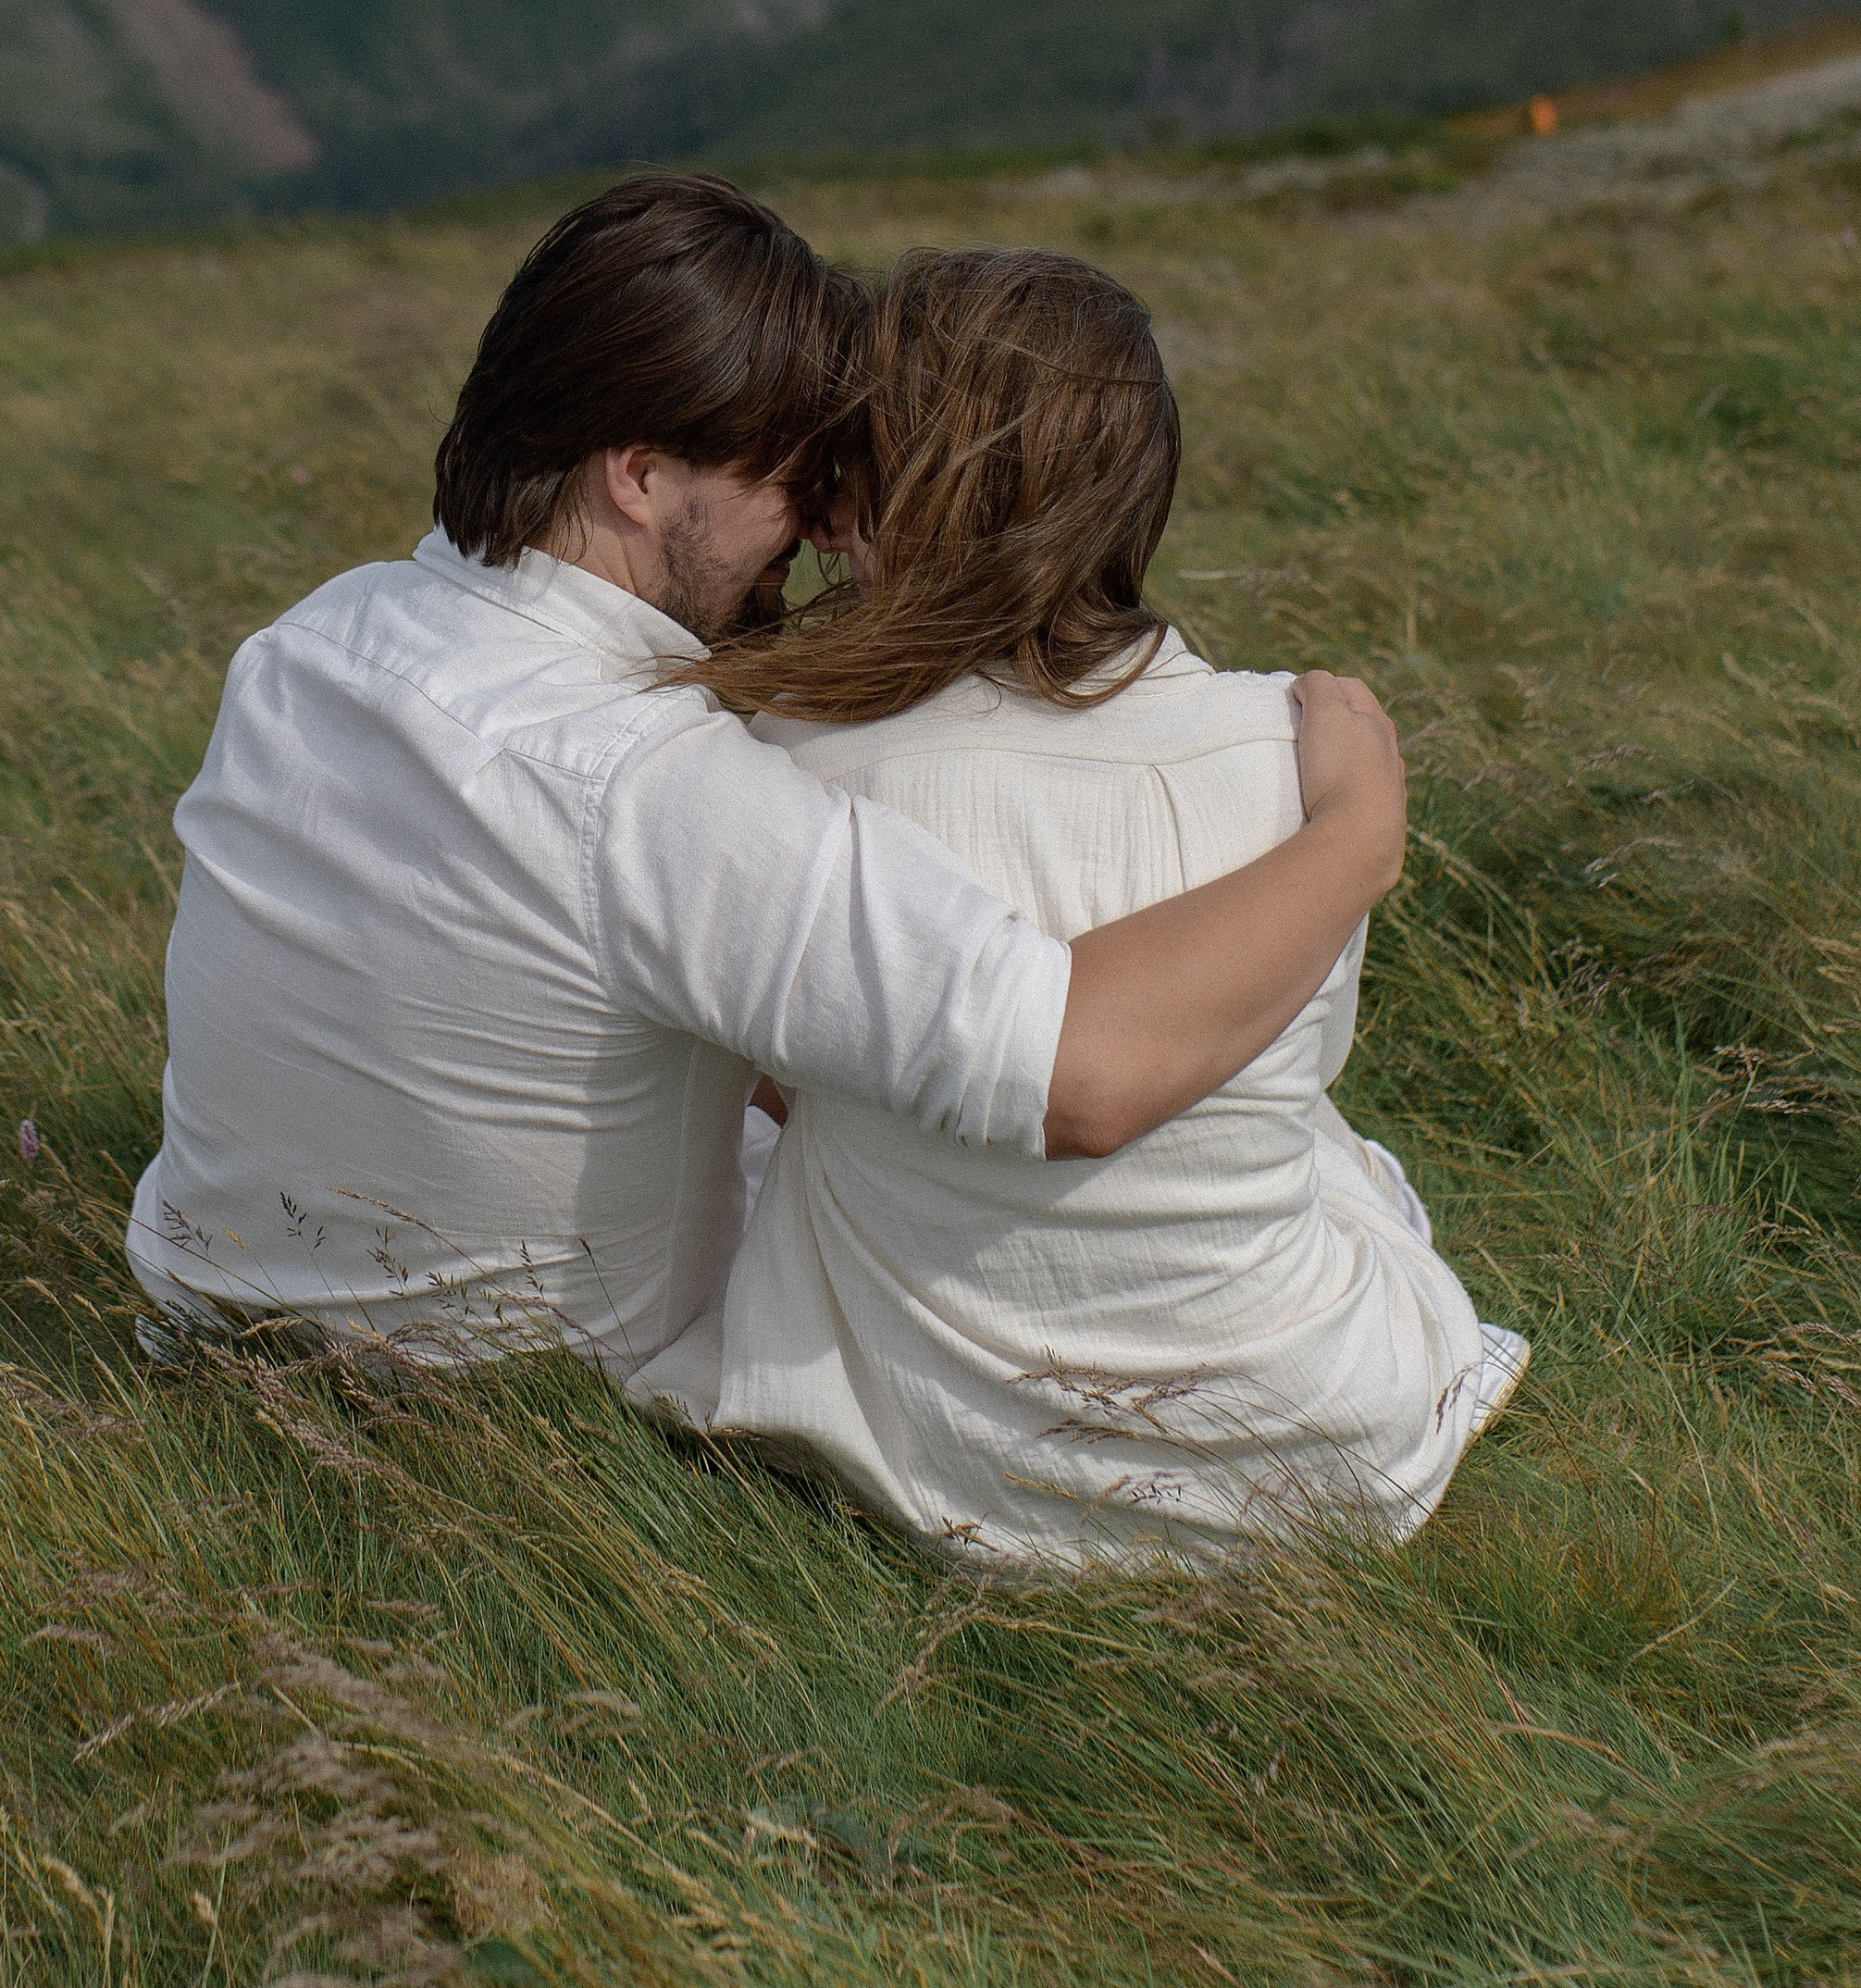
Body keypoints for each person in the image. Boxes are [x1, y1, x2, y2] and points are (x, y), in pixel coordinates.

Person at [126, 175, 1408, 1374]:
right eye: (792, 477)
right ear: (637, 476)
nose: (811, 530)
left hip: (199, 1319)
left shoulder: (306, 644)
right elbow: (1081, 1076)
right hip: (499, 1397)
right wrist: (1351, 835)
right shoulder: (649, 788)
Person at [630, 246, 1525, 1563]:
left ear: (901, 487)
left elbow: (784, 1076)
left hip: (939, 1451)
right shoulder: (1296, 750)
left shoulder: (785, 768)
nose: (818, 519)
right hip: (1310, 1442)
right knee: (1326, 1150)